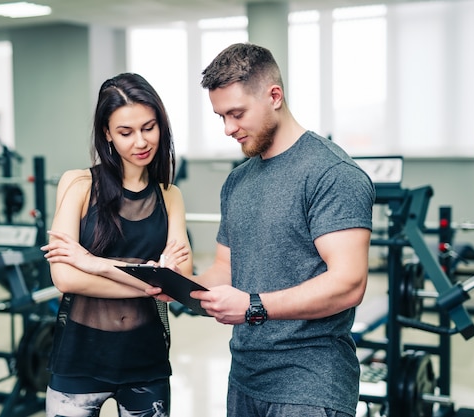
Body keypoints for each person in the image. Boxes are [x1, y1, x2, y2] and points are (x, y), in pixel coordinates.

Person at [152, 43, 375, 417]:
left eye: (236, 114)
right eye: (221, 116)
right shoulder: (238, 181)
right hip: (245, 378)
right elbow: (226, 269)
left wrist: (254, 306)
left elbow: (349, 284)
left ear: (274, 96)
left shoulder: (331, 173)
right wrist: (181, 286)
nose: (227, 128)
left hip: (310, 384)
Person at [41, 72, 193, 417]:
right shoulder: (78, 185)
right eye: (126, 132)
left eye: (148, 127)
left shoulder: (170, 196)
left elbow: (179, 282)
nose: (140, 142)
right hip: (79, 358)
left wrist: (95, 264)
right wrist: (150, 280)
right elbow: (65, 278)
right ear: (107, 134)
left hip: (146, 359)